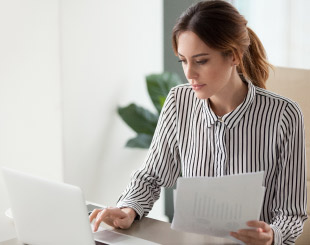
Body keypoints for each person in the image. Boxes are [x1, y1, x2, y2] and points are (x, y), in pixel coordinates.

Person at [89, 1, 307, 244]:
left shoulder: (284, 115)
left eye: (201, 61)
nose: (189, 73)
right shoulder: (178, 101)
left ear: (233, 56)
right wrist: (129, 208)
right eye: (183, 60)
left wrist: (272, 236)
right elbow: (151, 176)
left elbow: (291, 213)